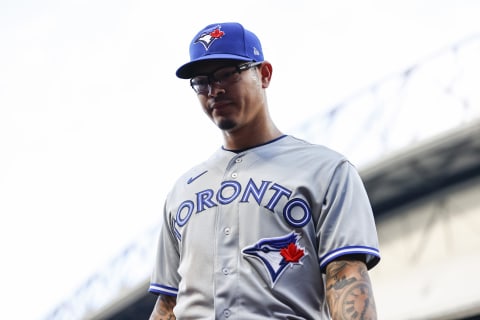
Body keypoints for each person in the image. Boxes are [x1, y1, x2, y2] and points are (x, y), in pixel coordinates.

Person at [148, 22, 381, 320]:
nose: (214, 90)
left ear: (265, 74)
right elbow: (168, 305)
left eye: (227, 74)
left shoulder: (326, 170)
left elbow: (345, 277)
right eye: (202, 81)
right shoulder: (183, 190)